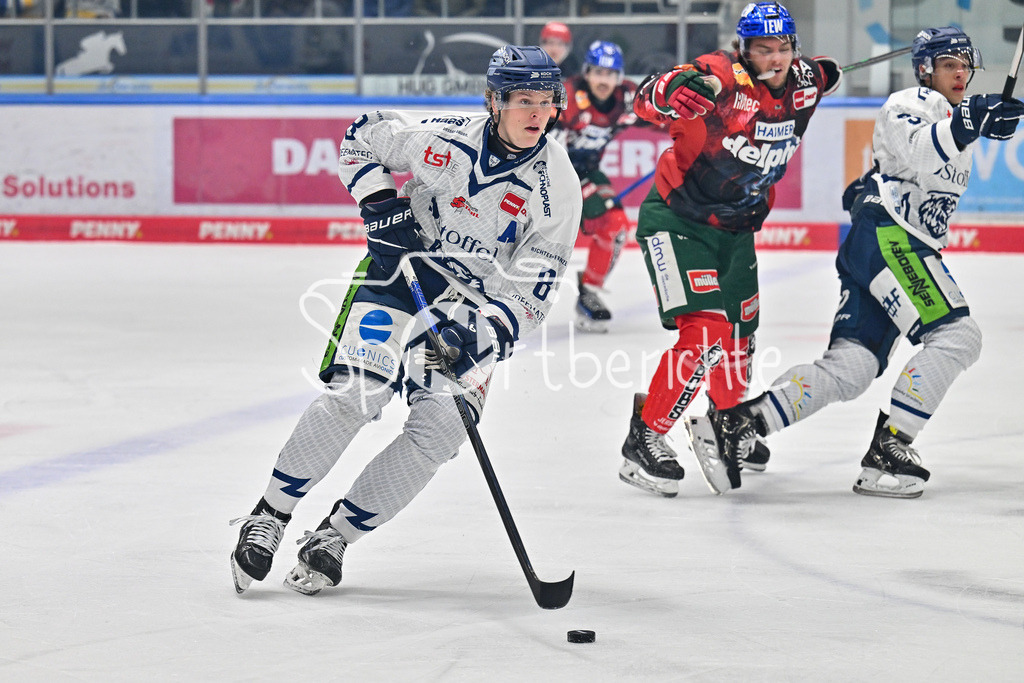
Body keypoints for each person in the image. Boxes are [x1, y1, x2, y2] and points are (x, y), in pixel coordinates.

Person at [229, 45, 582, 595]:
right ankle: (269, 516)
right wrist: (379, 204)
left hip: (470, 310)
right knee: (359, 394)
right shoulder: (443, 138)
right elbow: (359, 136)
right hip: (400, 277)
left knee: (442, 428)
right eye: (521, 100)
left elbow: (537, 282)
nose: (536, 114)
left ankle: (334, 537)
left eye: (545, 102)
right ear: (493, 100)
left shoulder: (557, 185)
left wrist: (483, 334)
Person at [709, 27, 1024, 499]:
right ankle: (890, 446)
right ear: (925, 69)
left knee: (851, 368)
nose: (960, 73)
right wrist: (971, 121)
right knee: (958, 335)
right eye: (947, 65)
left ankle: (740, 423)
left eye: (964, 65)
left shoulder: (950, 115)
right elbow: (919, 149)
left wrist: (870, 184)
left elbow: (900, 168)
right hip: (892, 240)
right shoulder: (908, 102)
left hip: (879, 243)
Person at [617, 1, 841, 497]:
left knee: (740, 337)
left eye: (783, 48)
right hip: (679, 220)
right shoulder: (720, 77)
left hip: (738, 231)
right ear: (744, 49)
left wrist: (827, 72)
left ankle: (727, 422)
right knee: (706, 332)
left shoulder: (805, 81)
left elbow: (822, 75)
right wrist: (668, 88)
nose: (776, 59)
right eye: (763, 49)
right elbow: (646, 99)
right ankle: (646, 435)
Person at [555, 40, 656, 332]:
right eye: (598, 72)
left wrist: (687, 125)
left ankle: (589, 291)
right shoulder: (567, 97)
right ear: (586, 72)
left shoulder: (626, 98)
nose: (604, 80)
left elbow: (659, 117)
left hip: (586, 171)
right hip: (551, 172)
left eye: (611, 74)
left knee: (616, 227)